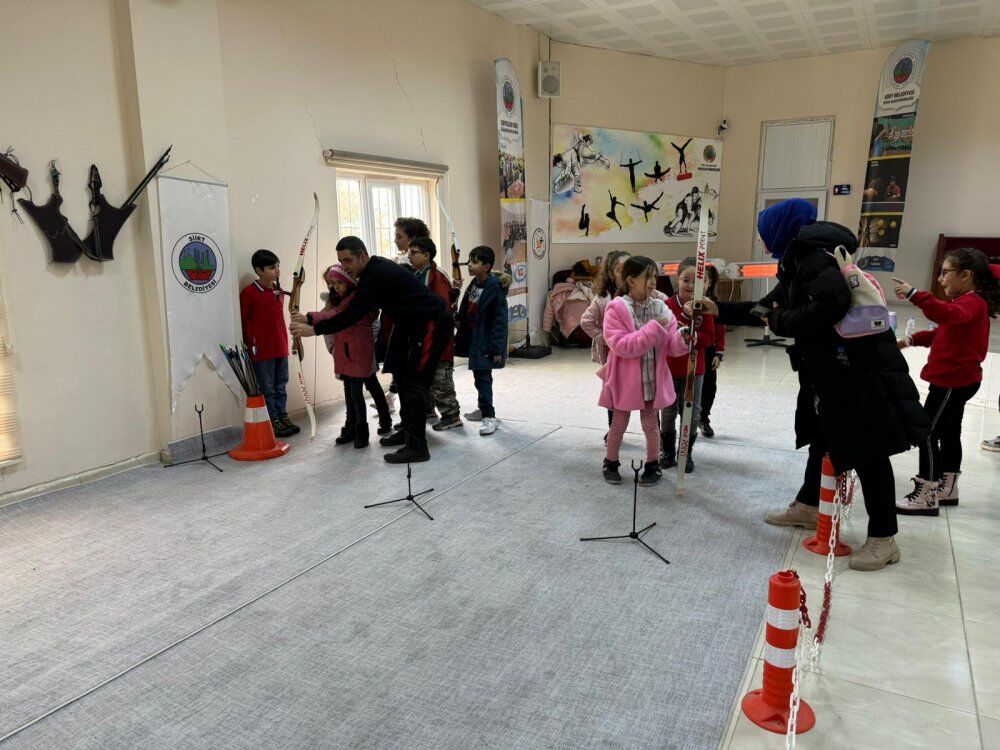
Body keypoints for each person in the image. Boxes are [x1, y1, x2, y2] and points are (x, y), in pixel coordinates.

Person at [757, 198, 928, 572]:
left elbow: (830, 305)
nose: (761, 237)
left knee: (867, 450)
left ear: (778, 228)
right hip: (832, 372)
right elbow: (767, 306)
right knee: (822, 437)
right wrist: (717, 310)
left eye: (763, 229)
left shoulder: (811, 259)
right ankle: (809, 505)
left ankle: (884, 538)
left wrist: (781, 321)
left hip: (854, 371)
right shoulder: (799, 260)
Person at [289, 236, 451, 464]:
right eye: (340, 261)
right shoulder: (371, 273)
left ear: (363, 256)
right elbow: (343, 309)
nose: (344, 266)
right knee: (402, 378)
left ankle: (417, 447)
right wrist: (309, 318)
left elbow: (352, 314)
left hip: (431, 322)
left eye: (348, 260)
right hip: (410, 325)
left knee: (415, 384)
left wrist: (314, 330)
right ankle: (408, 432)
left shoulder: (374, 274)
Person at [892, 248, 1000, 513]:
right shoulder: (968, 302)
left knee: (927, 433)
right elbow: (943, 331)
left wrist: (915, 294)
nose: (940, 279)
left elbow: (944, 316)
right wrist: (910, 340)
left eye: (945, 273)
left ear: (966, 275)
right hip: (956, 380)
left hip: (953, 382)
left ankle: (926, 494)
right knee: (950, 432)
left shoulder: (971, 303)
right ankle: (947, 488)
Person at [599, 256, 688, 486]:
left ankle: (653, 464)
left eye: (654, 276)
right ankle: (611, 462)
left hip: (652, 380)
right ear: (631, 280)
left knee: (651, 424)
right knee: (619, 423)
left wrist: (684, 338)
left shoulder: (660, 307)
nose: (653, 281)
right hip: (626, 381)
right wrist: (653, 328)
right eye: (647, 277)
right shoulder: (616, 309)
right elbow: (622, 346)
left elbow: (671, 345)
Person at [312, 264, 391, 448]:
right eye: (329, 283)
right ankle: (352, 426)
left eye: (336, 282)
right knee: (350, 390)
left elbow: (371, 322)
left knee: (370, 385)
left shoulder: (357, 298)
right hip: (344, 352)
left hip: (362, 351)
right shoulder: (333, 300)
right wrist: (334, 348)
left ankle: (383, 420)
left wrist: (366, 344)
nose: (333, 286)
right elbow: (327, 322)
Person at [660, 257, 716, 473]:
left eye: (696, 282)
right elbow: (665, 333)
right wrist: (683, 321)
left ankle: (686, 452)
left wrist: (696, 338)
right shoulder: (667, 305)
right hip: (669, 367)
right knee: (668, 411)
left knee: (691, 413)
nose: (691, 286)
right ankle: (667, 450)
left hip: (695, 370)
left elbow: (710, 337)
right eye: (686, 280)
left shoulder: (705, 307)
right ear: (677, 279)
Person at [239, 249, 299, 438]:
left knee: (281, 385)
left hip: (280, 346)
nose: (277, 270)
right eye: (272, 267)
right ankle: (272, 420)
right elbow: (242, 321)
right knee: (267, 388)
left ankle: (282, 416)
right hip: (261, 350)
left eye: (278, 266)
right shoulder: (249, 293)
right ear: (259, 270)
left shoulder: (279, 291)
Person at [407, 236, 463, 432]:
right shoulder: (417, 274)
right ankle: (429, 409)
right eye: (409, 252)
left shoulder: (436, 276)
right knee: (427, 375)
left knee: (441, 378)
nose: (409, 256)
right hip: (424, 336)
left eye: (413, 253)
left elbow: (442, 309)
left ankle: (451, 415)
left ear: (426, 255)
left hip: (438, 336)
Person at [455, 246, 509, 437]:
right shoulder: (475, 283)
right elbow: (465, 307)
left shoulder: (495, 288)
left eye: (474, 262)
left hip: (485, 342)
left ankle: (489, 416)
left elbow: (500, 322)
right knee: (479, 377)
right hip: (474, 338)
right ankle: (483, 408)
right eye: (469, 260)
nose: (469, 265)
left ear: (486, 266)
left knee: (483, 378)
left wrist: (496, 349)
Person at [699, 263, 725, 438]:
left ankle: (703, 418)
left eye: (704, 280)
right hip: (685, 351)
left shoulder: (713, 304)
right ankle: (686, 419)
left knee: (708, 387)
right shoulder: (677, 301)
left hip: (708, 351)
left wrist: (718, 353)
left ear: (710, 283)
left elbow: (720, 331)